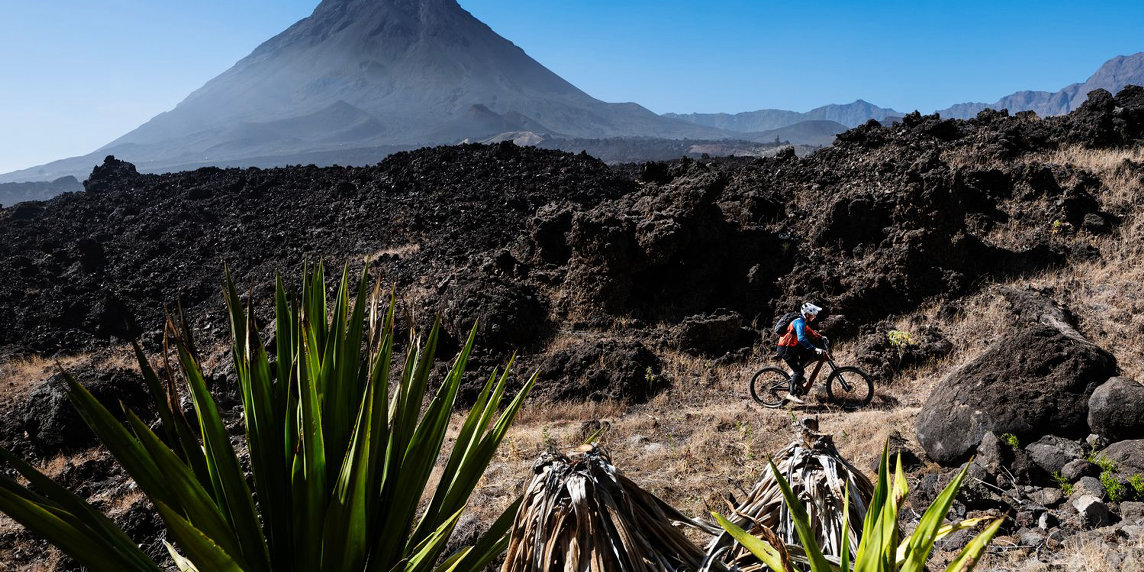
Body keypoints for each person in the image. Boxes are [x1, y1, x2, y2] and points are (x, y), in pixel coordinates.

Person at [776, 302, 828, 404]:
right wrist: (815, 348)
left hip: (791, 347)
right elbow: (801, 339)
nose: (814, 317)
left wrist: (821, 337)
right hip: (785, 349)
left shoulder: (802, 322)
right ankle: (791, 394)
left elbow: (810, 332)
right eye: (813, 315)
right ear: (807, 314)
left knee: (808, 354)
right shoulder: (799, 322)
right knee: (799, 371)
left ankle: (794, 374)